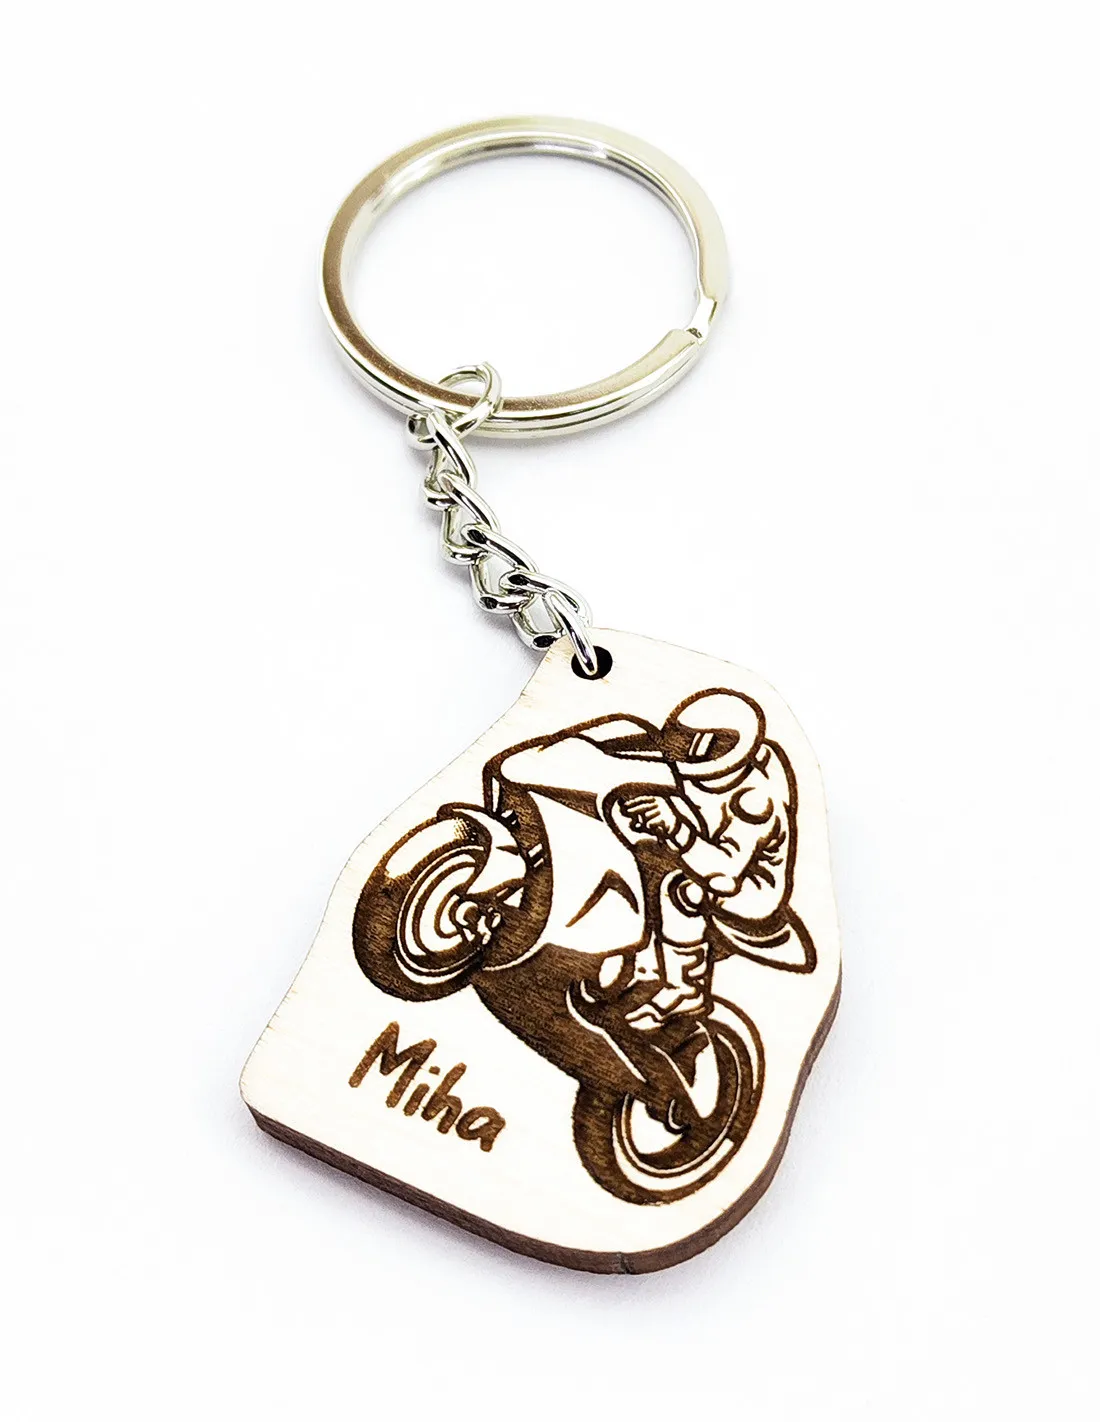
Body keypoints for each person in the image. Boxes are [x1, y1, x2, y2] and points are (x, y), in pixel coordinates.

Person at [620, 690, 811, 1026]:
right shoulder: (722, 772)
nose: (681, 753)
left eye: (692, 746)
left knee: (680, 890)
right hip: (713, 847)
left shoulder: (752, 801)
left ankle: (685, 988)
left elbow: (724, 875)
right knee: (647, 850)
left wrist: (676, 827)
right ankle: (650, 953)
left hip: (753, 889)